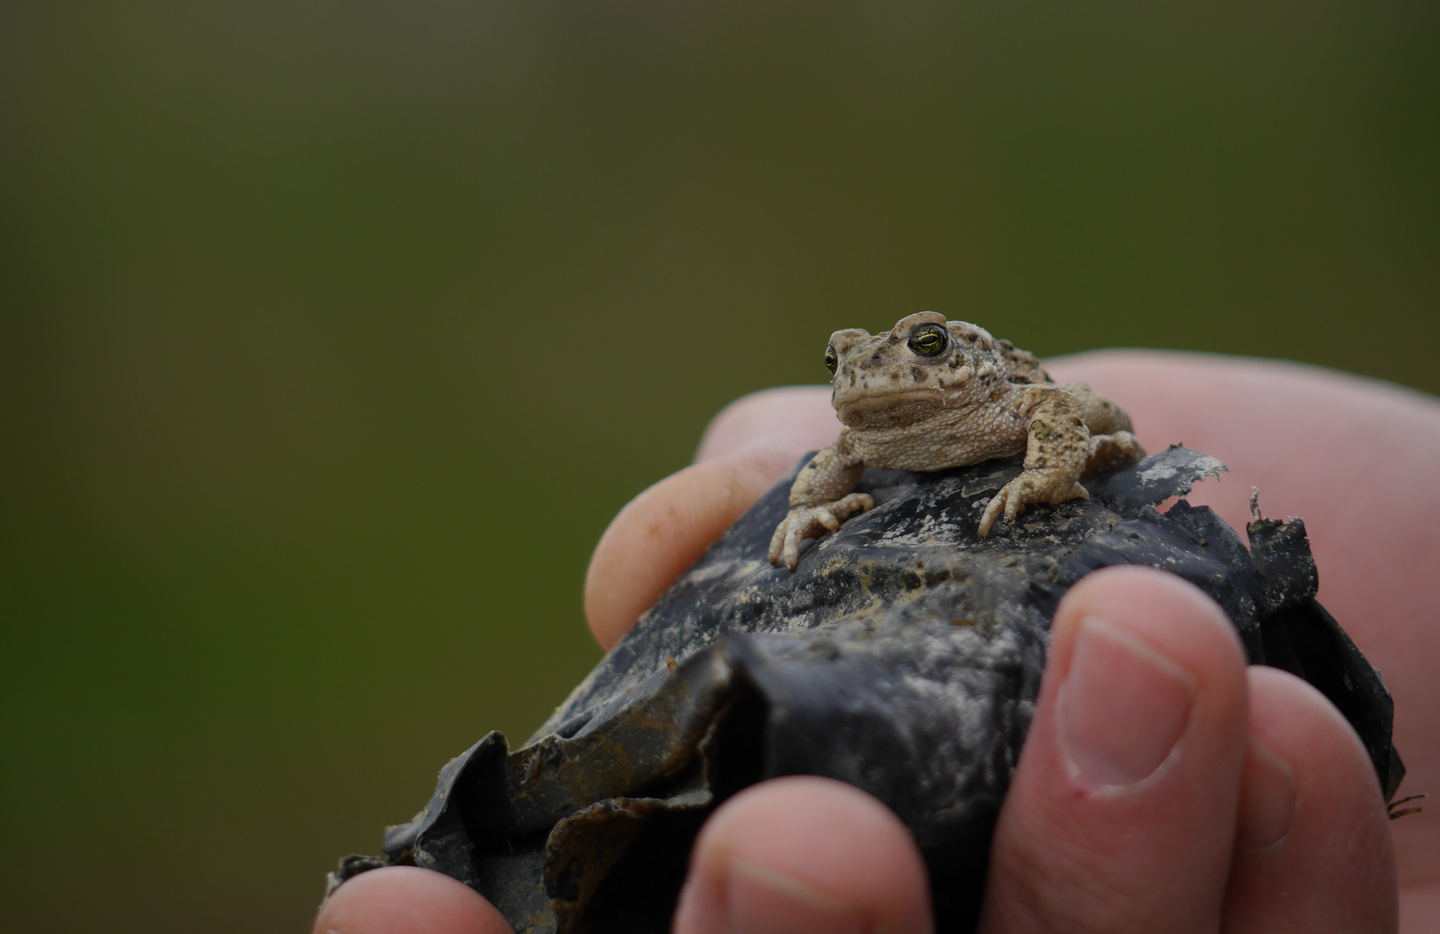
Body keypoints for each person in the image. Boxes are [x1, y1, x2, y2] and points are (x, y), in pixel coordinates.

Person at [315, 351, 1440, 933]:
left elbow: (1066, 410)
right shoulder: (854, 432)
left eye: (907, 353)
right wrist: (802, 511)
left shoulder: (999, 396)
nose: (869, 376)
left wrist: (1059, 472)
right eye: (849, 358)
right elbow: (822, 465)